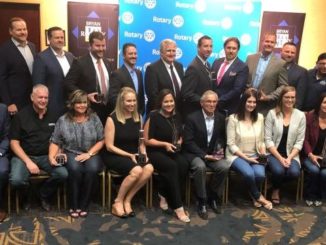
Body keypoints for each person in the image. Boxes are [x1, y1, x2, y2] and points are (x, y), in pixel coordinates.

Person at [9, 84, 68, 211]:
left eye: (46, 98)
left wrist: (59, 152)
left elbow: (60, 139)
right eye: (40, 97)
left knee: (62, 174)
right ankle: (27, 196)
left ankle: (43, 195)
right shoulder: (21, 116)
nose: (43, 100)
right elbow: (14, 143)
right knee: (16, 180)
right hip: (24, 156)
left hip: (47, 156)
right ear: (32, 97)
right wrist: (28, 162)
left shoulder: (55, 115)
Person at [49, 90, 104, 218]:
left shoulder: (94, 118)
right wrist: (51, 157)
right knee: (75, 169)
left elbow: (102, 140)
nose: (82, 105)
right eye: (78, 102)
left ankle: (84, 204)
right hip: (71, 152)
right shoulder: (62, 120)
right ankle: (73, 205)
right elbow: (55, 141)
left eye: (84, 102)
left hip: (92, 152)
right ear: (72, 104)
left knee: (92, 169)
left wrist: (89, 154)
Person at [103, 87, 153, 218]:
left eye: (134, 101)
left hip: (133, 154)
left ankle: (128, 199)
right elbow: (109, 146)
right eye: (128, 101)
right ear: (121, 102)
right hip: (115, 155)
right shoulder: (111, 119)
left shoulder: (139, 118)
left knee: (149, 168)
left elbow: (141, 142)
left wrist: (144, 153)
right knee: (137, 171)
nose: (132, 104)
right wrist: (129, 155)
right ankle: (117, 202)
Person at [183, 90, 230, 220]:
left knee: (224, 166)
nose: (212, 104)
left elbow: (221, 138)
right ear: (202, 103)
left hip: (212, 154)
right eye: (209, 101)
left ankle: (213, 197)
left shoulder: (220, 117)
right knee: (200, 167)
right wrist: (204, 155)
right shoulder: (192, 118)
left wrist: (219, 150)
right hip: (195, 154)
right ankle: (202, 201)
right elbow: (188, 142)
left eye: (214, 101)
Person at [144, 89, 190, 223]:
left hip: (173, 149)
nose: (169, 104)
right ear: (160, 103)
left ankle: (163, 193)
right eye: (166, 102)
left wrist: (180, 140)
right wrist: (164, 144)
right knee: (171, 166)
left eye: (171, 101)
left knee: (183, 164)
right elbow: (147, 140)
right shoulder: (153, 116)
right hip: (156, 151)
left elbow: (180, 133)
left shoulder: (177, 115)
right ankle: (178, 207)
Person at [226, 88, 272, 210]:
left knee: (260, 175)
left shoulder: (260, 118)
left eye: (254, 102)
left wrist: (262, 150)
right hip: (236, 155)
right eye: (249, 101)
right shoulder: (233, 118)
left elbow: (262, 140)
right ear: (243, 102)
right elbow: (230, 144)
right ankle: (258, 196)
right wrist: (246, 158)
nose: (251, 105)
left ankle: (253, 194)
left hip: (255, 154)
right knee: (249, 174)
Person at [265, 86, 306, 205]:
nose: (290, 100)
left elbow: (299, 141)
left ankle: (274, 184)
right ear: (281, 98)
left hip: (291, 154)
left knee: (294, 173)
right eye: (287, 97)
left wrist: (288, 158)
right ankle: (276, 190)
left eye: (292, 97)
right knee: (278, 171)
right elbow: (268, 140)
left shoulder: (300, 115)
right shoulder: (272, 114)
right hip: (274, 153)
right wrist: (280, 158)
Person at [64, 31, 112, 124]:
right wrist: (85, 96)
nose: (101, 49)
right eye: (97, 46)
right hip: (88, 112)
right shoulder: (80, 63)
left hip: (107, 112)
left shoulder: (107, 62)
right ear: (90, 46)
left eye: (103, 45)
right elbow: (68, 84)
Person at [32, 26, 75, 117]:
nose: (60, 40)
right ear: (49, 39)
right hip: (52, 106)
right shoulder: (41, 58)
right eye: (57, 38)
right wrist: (42, 106)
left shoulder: (70, 56)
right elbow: (38, 84)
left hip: (71, 105)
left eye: (62, 37)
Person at [0, 17, 36, 115]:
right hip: (15, 102)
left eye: (24, 29)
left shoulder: (32, 46)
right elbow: (1, 79)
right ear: (11, 31)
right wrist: (9, 103)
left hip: (32, 98)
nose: (23, 32)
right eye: (19, 30)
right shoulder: (4, 50)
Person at [246, 32, 288, 115]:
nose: (269, 44)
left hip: (265, 107)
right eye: (267, 41)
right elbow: (243, 78)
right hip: (247, 103)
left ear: (275, 44)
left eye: (272, 42)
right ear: (262, 42)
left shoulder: (281, 63)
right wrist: (245, 91)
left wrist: (269, 97)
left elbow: (283, 85)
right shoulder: (250, 58)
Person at [145, 39, 184, 113]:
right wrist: (166, 112)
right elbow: (153, 96)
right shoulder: (152, 69)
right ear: (161, 53)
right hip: (160, 114)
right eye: (168, 51)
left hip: (178, 114)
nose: (171, 53)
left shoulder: (179, 66)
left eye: (174, 51)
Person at [212, 37, 249, 116]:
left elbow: (237, 90)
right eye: (228, 48)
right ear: (224, 48)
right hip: (212, 107)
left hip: (228, 109)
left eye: (234, 48)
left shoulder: (242, 67)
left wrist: (218, 100)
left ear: (238, 50)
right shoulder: (216, 62)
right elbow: (211, 82)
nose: (231, 51)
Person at [302, 93, 326, 206]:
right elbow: (305, 140)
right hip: (309, 154)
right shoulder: (310, 117)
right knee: (315, 170)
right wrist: (311, 154)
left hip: (324, 157)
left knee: (324, 173)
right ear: (320, 103)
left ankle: (320, 196)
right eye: (325, 102)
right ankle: (310, 195)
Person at [181, 35, 213, 117]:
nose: (209, 49)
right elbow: (187, 93)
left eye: (211, 46)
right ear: (198, 48)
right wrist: (205, 102)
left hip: (204, 113)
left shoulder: (208, 65)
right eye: (205, 46)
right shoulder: (193, 67)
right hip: (195, 113)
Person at [109, 43, 145, 115]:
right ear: (123, 56)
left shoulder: (139, 73)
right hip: (123, 116)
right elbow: (114, 98)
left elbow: (141, 97)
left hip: (137, 116)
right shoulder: (117, 74)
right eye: (130, 54)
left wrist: (140, 113)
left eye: (135, 53)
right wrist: (125, 113)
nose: (134, 56)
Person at [280, 42, 307, 110]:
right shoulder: (272, 66)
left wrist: (294, 114)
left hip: (288, 110)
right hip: (269, 108)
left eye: (292, 52)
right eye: (287, 51)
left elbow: (299, 97)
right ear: (281, 51)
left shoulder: (302, 72)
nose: (289, 54)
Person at [0, 103, 10, 222]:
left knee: (2, 171)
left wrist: (0, 152)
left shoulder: (2, 109)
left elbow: (7, 136)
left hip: (0, 152)